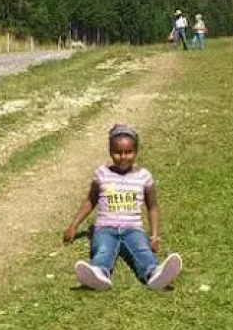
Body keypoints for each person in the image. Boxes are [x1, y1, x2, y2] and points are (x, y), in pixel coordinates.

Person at [63, 123, 182, 291]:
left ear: (136, 152)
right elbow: (90, 201)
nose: (123, 157)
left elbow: (152, 207)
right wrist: (73, 226)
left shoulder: (144, 176)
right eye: (118, 152)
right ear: (110, 151)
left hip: (133, 229)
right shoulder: (102, 174)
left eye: (128, 152)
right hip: (105, 229)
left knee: (142, 249)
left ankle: (154, 273)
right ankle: (98, 274)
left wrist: (154, 236)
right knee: (103, 250)